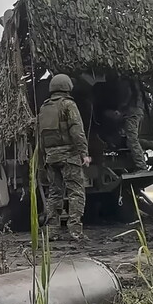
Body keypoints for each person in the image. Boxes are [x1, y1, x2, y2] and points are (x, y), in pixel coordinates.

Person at [38, 74, 91, 241]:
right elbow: (77, 130)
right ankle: (75, 231)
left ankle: (51, 232)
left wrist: (44, 157)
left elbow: (40, 136)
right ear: (68, 87)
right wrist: (84, 153)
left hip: (51, 157)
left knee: (54, 194)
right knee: (76, 192)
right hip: (69, 156)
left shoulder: (44, 108)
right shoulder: (69, 105)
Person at [117, 77, 148, 172]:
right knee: (133, 139)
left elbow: (129, 95)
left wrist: (121, 107)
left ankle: (141, 166)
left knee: (132, 140)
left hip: (132, 112)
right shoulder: (137, 81)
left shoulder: (127, 81)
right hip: (139, 111)